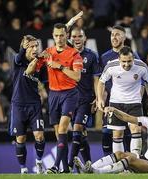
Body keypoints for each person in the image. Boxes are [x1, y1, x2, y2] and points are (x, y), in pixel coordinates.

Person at [77, 100, 148, 174]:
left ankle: (97, 172)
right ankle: (89, 169)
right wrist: (114, 110)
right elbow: (128, 118)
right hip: (145, 159)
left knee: (130, 159)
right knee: (120, 154)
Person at [35, 23, 83, 174]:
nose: (59, 38)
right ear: (53, 36)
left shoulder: (74, 54)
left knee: (63, 128)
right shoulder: (48, 51)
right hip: (53, 94)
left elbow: (77, 77)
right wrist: (35, 58)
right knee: (59, 134)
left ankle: (55, 166)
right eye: (56, 35)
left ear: (66, 36)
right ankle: (66, 169)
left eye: (62, 35)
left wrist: (60, 67)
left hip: (69, 94)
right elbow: (35, 67)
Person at [97, 46, 148, 156]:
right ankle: (119, 165)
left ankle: (135, 161)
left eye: (129, 61)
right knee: (117, 134)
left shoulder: (141, 66)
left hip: (134, 102)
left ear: (133, 58)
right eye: (123, 61)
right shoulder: (111, 66)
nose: (126, 64)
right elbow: (101, 82)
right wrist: (99, 98)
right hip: (116, 103)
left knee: (136, 130)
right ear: (119, 59)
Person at [100, 25, 143, 156]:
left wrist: (138, 98)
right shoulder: (104, 57)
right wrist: (99, 98)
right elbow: (100, 80)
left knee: (131, 132)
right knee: (108, 133)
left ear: (124, 37)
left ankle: (132, 163)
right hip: (111, 101)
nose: (114, 37)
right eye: (112, 34)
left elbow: (142, 80)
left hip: (131, 101)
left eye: (118, 34)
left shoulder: (134, 57)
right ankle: (111, 164)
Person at [9, 35, 45, 174]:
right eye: (32, 46)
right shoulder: (18, 61)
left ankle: (39, 161)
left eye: (36, 46)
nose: (35, 48)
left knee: (39, 136)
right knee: (21, 138)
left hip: (34, 104)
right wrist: (22, 48)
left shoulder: (40, 65)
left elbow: (44, 81)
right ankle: (23, 168)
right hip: (18, 105)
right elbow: (19, 56)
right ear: (25, 48)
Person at [68, 26, 101, 171]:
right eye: (74, 36)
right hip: (69, 99)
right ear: (70, 38)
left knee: (78, 127)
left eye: (79, 36)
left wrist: (98, 97)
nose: (77, 39)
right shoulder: (67, 54)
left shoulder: (92, 56)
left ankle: (68, 166)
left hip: (86, 99)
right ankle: (88, 163)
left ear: (85, 38)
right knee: (81, 133)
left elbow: (96, 79)